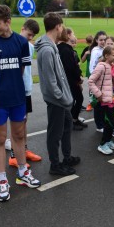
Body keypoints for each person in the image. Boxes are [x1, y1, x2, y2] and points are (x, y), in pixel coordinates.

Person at [0, 5, 41, 202]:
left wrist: (12, 87)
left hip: (17, 98)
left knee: (19, 135)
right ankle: (2, 180)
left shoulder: (21, 42)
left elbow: (21, 70)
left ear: (8, 22)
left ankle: (23, 173)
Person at [35, 12, 80, 177]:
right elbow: (51, 81)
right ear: (57, 26)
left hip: (62, 100)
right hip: (56, 100)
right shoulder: (47, 50)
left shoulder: (52, 46)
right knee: (55, 133)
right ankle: (55, 165)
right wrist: (62, 97)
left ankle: (66, 157)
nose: (64, 29)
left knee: (67, 126)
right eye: (62, 26)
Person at [11, 19, 43, 166]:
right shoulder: (13, 44)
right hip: (16, 90)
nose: (30, 38)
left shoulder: (29, 47)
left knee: (24, 122)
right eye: (29, 34)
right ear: (22, 28)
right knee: (16, 124)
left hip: (27, 88)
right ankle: (13, 156)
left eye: (32, 36)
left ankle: (24, 150)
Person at [88, 46, 114, 155]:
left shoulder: (113, 66)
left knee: (111, 122)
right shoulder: (101, 66)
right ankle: (102, 144)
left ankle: (108, 140)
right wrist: (98, 94)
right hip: (103, 100)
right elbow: (91, 81)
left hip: (111, 99)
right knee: (107, 122)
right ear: (106, 56)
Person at [57, 27, 88, 131]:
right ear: (68, 35)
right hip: (70, 80)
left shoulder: (63, 48)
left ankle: (74, 119)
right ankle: (72, 121)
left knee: (76, 99)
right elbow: (72, 67)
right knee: (77, 99)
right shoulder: (66, 50)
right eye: (73, 34)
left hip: (68, 79)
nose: (74, 36)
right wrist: (78, 78)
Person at [89, 31, 107, 132]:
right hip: (98, 80)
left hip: (104, 79)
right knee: (99, 104)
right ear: (96, 40)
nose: (103, 41)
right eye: (101, 40)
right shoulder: (96, 51)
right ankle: (99, 126)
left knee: (103, 103)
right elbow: (92, 67)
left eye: (104, 39)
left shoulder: (103, 49)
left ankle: (102, 122)